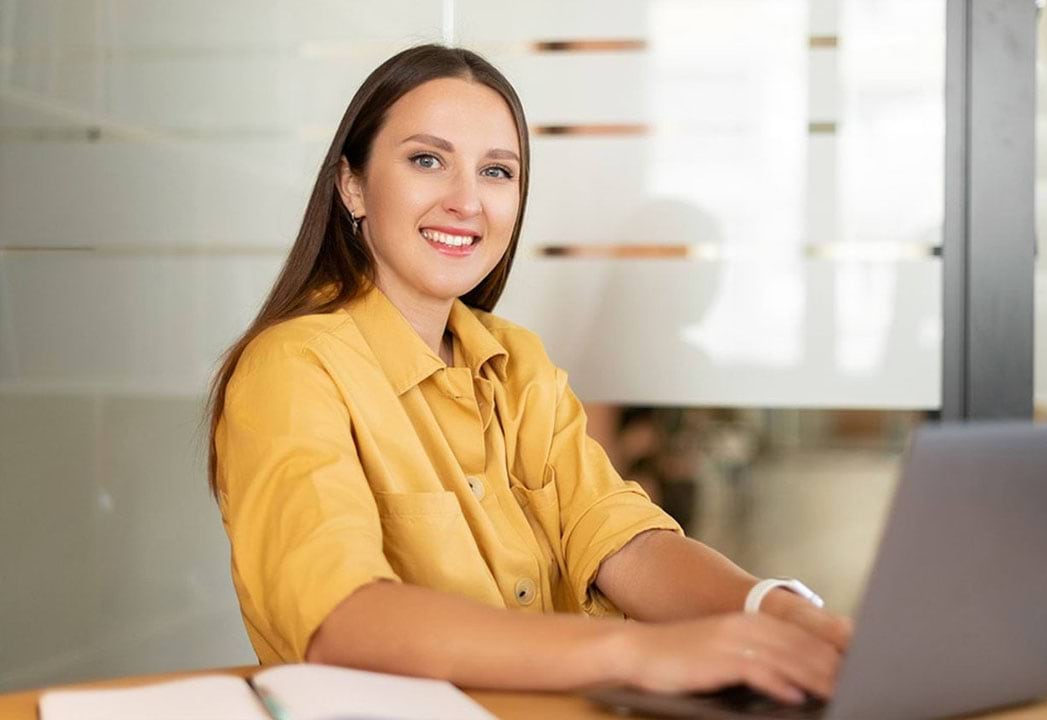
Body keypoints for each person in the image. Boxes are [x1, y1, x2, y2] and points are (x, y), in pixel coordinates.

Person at [206, 44, 847, 705]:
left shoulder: (517, 362)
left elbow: (617, 534)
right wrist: (640, 654)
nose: (467, 201)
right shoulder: (291, 369)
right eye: (427, 160)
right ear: (353, 184)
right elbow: (340, 620)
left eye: (496, 172)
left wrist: (775, 610)